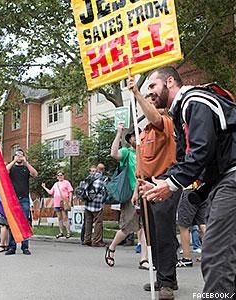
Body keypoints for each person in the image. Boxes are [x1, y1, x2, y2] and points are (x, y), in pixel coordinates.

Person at [139, 67, 236, 298]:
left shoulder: (194, 101)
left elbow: (201, 150)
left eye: (153, 86)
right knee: (226, 255)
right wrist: (164, 181)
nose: (151, 93)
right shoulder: (181, 112)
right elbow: (185, 159)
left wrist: (171, 184)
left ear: (170, 81)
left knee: (216, 253)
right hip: (228, 179)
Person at [128, 78, 181, 298]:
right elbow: (141, 164)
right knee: (152, 236)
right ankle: (162, 277)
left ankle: (167, 281)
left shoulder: (165, 122)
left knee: (164, 233)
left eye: (152, 94)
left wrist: (137, 94)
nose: (149, 97)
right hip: (144, 187)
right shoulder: (144, 132)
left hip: (162, 184)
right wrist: (135, 190)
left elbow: (154, 116)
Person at [104, 125, 140, 267]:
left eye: (139, 136)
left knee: (144, 228)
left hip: (145, 192)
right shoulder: (127, 152)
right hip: (131, 194)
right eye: (134, 136)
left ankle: (144, 259)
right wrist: (119, 132)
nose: (137, 138)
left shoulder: (145, 154)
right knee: (126, 228)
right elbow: (114, 154)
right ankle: (112, 247)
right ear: (130, 139)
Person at [5, 149, 38, 255]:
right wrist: (13, 161)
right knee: (13, 223)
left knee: (24, 223)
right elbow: (4, 171)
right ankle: (12, 247)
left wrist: (26, 162)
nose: (19, 157)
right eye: (17, 155)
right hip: (13, 198)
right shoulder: (12, 167)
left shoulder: (25, 168)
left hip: (24, 198)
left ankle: (25, 247)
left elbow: (35, 174)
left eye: (21, 155)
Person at [176, 187, 206, 268]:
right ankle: (208, 255)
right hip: (203, 189)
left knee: (183, 226)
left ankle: (186, 258)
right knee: (203, 224)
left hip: (189, 189)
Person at [42, 171, 73, 238]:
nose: (60, 176)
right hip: (57, 202)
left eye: (61, 175)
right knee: (59, 217)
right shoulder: (56, 184)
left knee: (65, 217)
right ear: (57, 177)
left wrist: (69, 201)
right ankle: (61, 232)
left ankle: (68, 232)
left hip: (64, 202)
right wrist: (44, 187)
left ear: (63, 176)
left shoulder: (66, 182)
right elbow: (51, 192)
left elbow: (70, 192)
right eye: (58, 175)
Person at [82, 163, 107, 247]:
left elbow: (83, 188)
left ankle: (87, 239)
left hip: (87, 204)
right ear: (102, 170)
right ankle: (96, 241)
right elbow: (105, 191)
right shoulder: (102, 179)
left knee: (88, 222)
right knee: (98, 222)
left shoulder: (89, 178)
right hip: (97, 204)